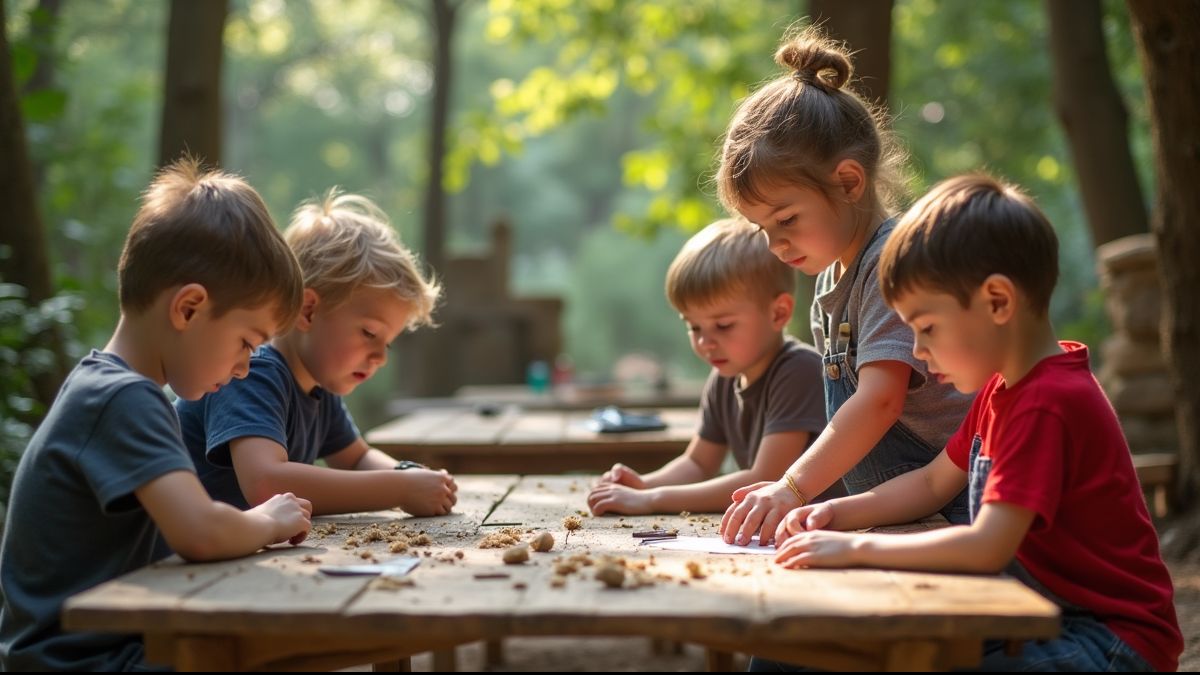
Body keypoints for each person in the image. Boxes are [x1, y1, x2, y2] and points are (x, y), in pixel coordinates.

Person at [765, 175, 1182, 672]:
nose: (917, 351)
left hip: (1110, 639)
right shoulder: (1000, 390)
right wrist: (836, 514)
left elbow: (986, 547)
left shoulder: (1047, 403)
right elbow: (930, 481)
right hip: (1042, 617)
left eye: (927, 328)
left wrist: (853, 548)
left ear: (998, 302)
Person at [0, 158, 313, 671]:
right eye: (245, 343)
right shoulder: (123, 398)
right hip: (80, 661)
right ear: (188, 308)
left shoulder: (111, 388)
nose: (242, 369)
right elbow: (201, 532)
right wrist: (267, 520)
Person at [716, 28, 972, 546]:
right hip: (897, 507)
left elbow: (879, 402)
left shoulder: (889, 263)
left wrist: (792, 486)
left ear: (850, 182)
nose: (776, 245)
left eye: (786, 219)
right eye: (763, 229)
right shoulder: (833, 277)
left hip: (953, 508)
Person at [176, 189, 457, 517]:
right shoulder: (251, 372)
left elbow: (355, 459)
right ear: (308, 310)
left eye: (388, 343)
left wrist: (409, 475)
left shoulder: (317, 387)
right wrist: (401, 489)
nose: (380, 357)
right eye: (369, 333)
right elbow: (266, 483)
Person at [587, 218, 834, 516]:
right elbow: (698, 463)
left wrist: (652, 500)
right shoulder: (724, 378)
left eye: (723, 325)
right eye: (693, 327)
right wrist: (642, 485)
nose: (705, 341)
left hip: (825, 526)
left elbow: (765, 479)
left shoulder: (799, 371)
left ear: (778, 313)